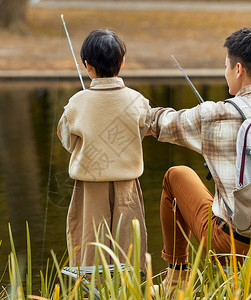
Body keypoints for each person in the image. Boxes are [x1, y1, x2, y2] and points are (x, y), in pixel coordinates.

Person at [149, 27, 251, 294]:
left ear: (238, 69)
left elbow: (158, 124)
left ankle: (177, 278)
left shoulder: (214, 115)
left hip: (232, 244)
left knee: (176, 175)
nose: (225, 71)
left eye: (226, 66)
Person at [57, 29, 151, 268]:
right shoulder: (138, 100)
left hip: (90, 189)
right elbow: (140, 133)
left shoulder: (76, 104)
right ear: (122, 62)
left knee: (90, 257)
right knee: (129, 255)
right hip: (127, 188)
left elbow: (67, 141)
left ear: (88, 66)